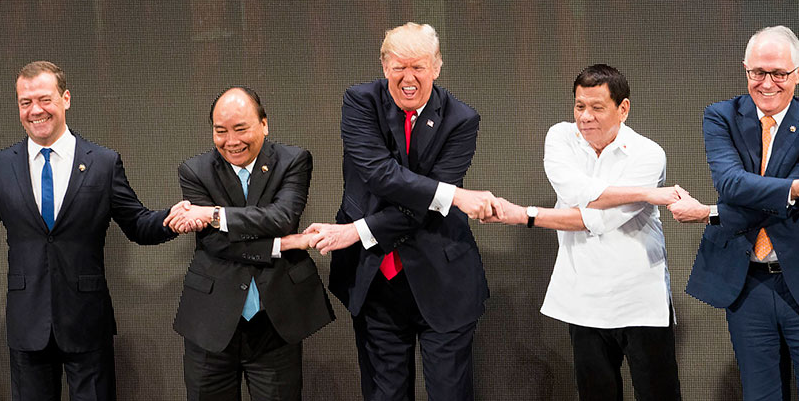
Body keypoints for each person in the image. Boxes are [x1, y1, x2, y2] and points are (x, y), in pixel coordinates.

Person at [302, 22, 499, 401]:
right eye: (399, 67)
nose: (408, 78)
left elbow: (426, 210)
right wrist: (453, 196)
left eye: (419, 67)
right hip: (376, 281)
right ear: (384, 66)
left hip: (442, 280)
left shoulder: (461, 119)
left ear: (436, 67)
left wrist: (357, 231)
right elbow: (380, 174)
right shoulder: (360, 102)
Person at [0, 61, 192, 400]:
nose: (35, 110)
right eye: (25, 102)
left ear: (65, 99)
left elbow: (138, 224)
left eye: (44, 99)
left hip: (86, 322)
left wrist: (173, 218)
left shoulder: (102, 163)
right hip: (27, 323)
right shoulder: (1, 165)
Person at [486, 64, 683, 400]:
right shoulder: (561, 137)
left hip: (640, 299)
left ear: (623, 108)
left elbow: (598, 219)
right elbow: (578, 193)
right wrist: (647, 194)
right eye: (579, 106)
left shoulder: (648, 154)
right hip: (584, 299)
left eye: (597, 108)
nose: (585, 117)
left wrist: (525, 215)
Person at [163, 86, 334, 400]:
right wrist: (280, 246)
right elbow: (215, 243)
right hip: (211, 320)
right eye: (221, 131)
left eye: (241, 129)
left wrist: (214, 214)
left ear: (264, 124)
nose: (231, 141)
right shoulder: (195, 171)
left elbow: (282, 218)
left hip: (275, 320)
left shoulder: (293, 161)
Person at [668, 25, 799, 400]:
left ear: (797, 74)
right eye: (758, 72)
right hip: (747, 284)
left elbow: (744, 193)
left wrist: (709, 213)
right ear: (746, 70)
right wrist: (792, 189)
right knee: (760, 395)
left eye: (779, 73)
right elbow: (731, 184)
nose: (767, 83)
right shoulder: (721, 116)